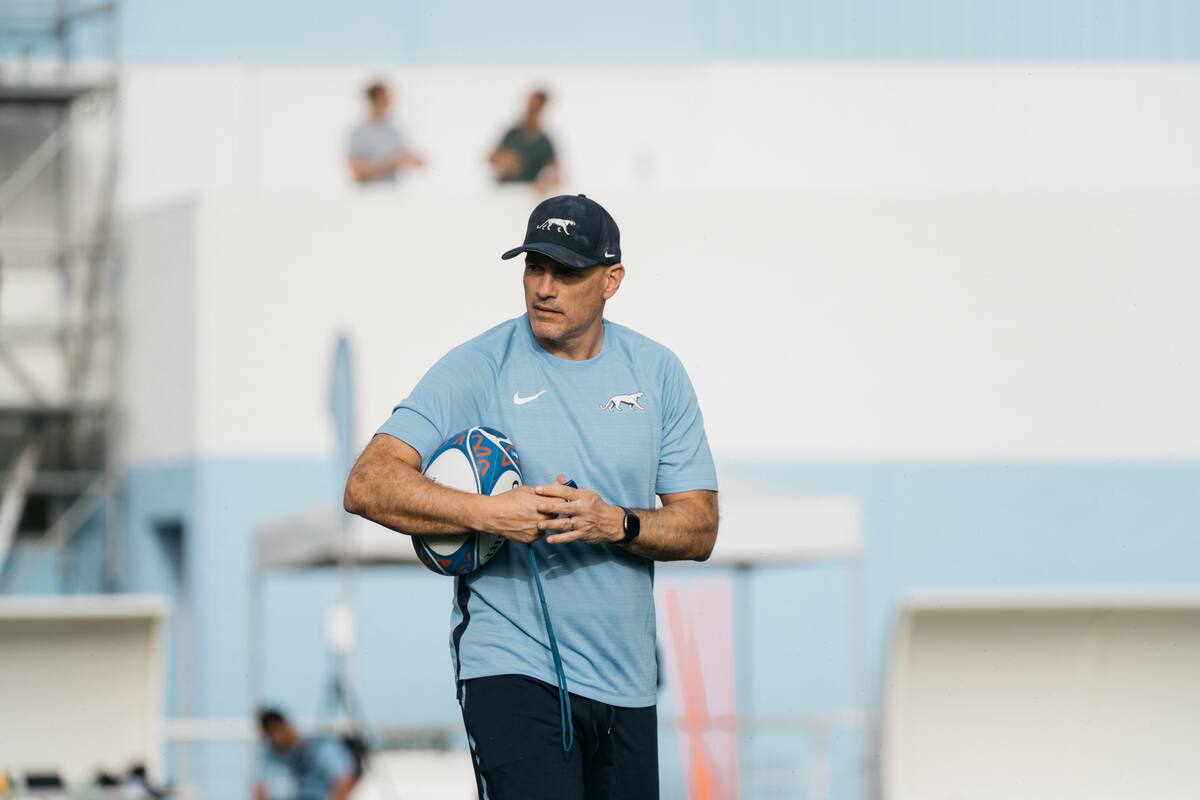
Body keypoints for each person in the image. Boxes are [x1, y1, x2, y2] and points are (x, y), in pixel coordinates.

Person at [344, 194, 719, 798]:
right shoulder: (478, 367)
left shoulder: (658, 373)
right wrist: (489, 513)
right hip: (511, 668)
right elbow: (367, 483)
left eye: (566, 272)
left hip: (628, 682)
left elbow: (699, 528)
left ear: (611, 280)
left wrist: (615, 523)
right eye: (533, 267)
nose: (544, 287)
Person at [253, 708, 357, 800]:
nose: (272, 740)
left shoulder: (322, 747)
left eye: (274, 733)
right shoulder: (272, 753)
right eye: (267, 736)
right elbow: (260, 787)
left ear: (285, 726)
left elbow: (345, 780)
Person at [347, 81, 425, 184]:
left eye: (389, 100)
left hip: (392, 194)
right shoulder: (359, 132)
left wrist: (407, 159)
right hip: (367, 194)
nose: (388, 104)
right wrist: (391, 163)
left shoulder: (394, 130)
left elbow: (419, 162)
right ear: (372, 101)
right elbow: (358, 173)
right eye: (384, 100)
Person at [487, 88, 562, 194]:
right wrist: (503, 162)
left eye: (536, 108)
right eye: (530, 105)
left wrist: (547, 182)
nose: (531, 111)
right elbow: (490, 158)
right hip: (504, 192)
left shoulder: (545, 142)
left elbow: (558, 175)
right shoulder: (511, 134)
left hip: (527, 194)